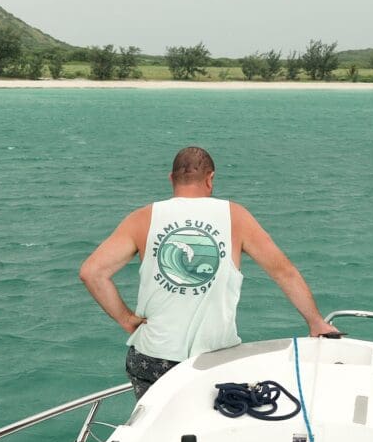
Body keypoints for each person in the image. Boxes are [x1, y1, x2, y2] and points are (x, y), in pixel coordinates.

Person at [80, 146, 338, 399]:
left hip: (152, 357)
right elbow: (284, 272)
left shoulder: (142, 218)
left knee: (160, 431)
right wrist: (315, 321)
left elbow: (92, 273)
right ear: (210, 178)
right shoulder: (235, 216)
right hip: (212, 360)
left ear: (171, 179)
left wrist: (126, 319)